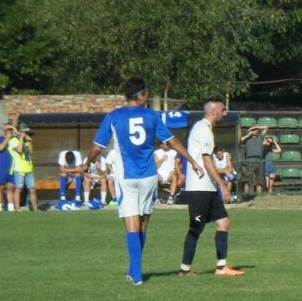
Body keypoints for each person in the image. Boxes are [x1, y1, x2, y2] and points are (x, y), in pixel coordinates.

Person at [83, 78, 203, 284]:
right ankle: (134, 270)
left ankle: (136, 275)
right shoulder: (151, 116)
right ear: (139, 96)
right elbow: (172, 141)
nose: (148, 96)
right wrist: (192, 161)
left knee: (131, 225)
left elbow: (97, 147)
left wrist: (86, 164)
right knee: (143, 224)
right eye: (146, 93)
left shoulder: (113, 117)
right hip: (148, 176)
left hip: (126, 177)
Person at [176, 100, 243, 277]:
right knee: (195, 227)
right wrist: (223, 185)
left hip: (208, 188)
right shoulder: (203, 130)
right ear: (213, 111)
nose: (225, 113)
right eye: (223, 109)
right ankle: (184, 269)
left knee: (224, 222)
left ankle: (221, 267)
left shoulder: (204, 128)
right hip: (200, 188)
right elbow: (207, 161)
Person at [8, 124, 37, 212]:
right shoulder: (13, 141)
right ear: (20, 132)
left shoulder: (26, 140)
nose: (26, 133)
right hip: (19, 168)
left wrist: (29, 141)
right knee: (18, 189)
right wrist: (21, 138)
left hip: (29, 168)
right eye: (24, 131)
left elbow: (31, 151)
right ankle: (17, 208)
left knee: (32, 189)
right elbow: (19, 150)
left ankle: (35, 209)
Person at [0, 123, 13, 212]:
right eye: (7, 129)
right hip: (3, 166)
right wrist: (7, 138)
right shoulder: (0, 139)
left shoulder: (15, 139)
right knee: (0, 187)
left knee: (11, 187)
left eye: (10, 129)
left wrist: (15, 129)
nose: (9, 131)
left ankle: (11, 208)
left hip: (13, 166)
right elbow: (1, 148)